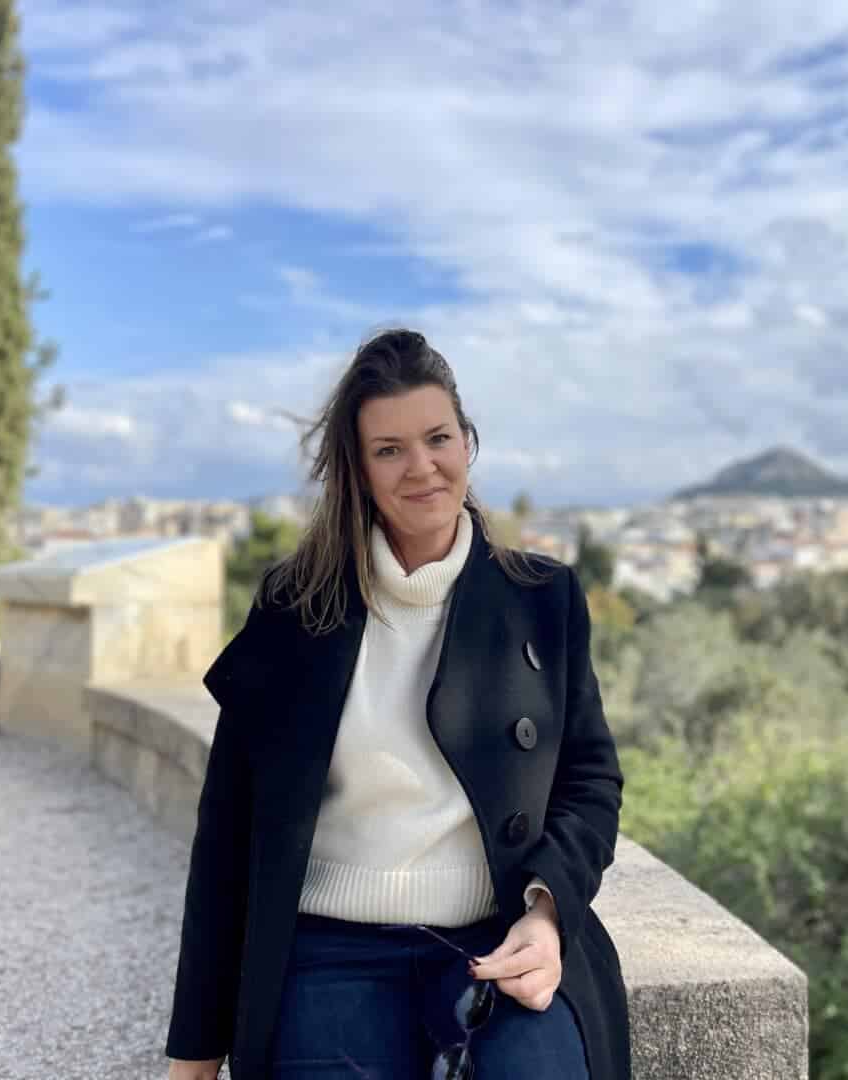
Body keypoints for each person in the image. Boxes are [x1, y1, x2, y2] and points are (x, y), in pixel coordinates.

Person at [165, 328, 629, 1079]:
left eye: (438, 437)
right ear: (358, 469)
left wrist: (547, 916)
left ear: (468, 443)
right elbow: (228, 830)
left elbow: (591, 783)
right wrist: (195, 1052)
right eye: (389, 450)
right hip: (328, 952)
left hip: (497, 938)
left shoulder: (543, 599)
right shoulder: (294, 609)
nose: (422, 467)